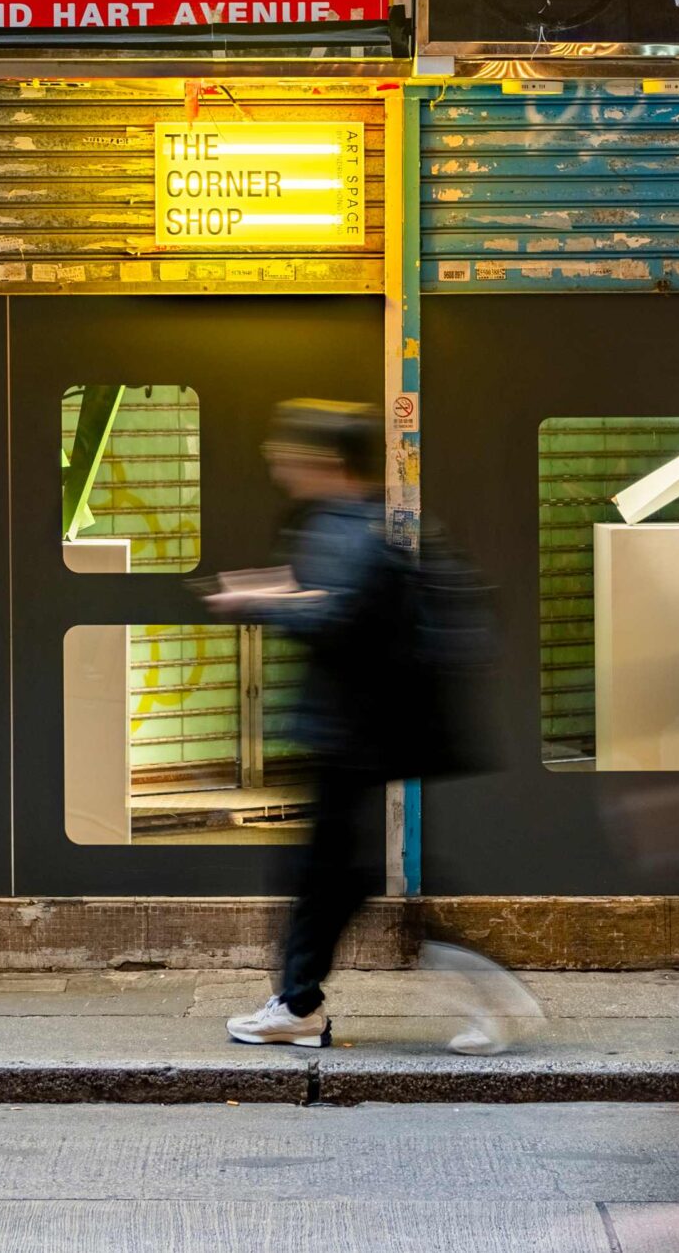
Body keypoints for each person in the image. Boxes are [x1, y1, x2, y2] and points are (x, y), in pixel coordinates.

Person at [209, 400, 522, 1052]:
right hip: (355, 731)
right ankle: (299, 1002)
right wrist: (282, 591)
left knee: (328, 875)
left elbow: (338, 616)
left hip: (347, 733)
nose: (277, 460)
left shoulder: (345, 526)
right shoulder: (354, 523)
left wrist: (260, 602)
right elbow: (338, 600)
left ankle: (476, 992)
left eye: (288, 450)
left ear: (325, 461)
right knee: (336, 875)